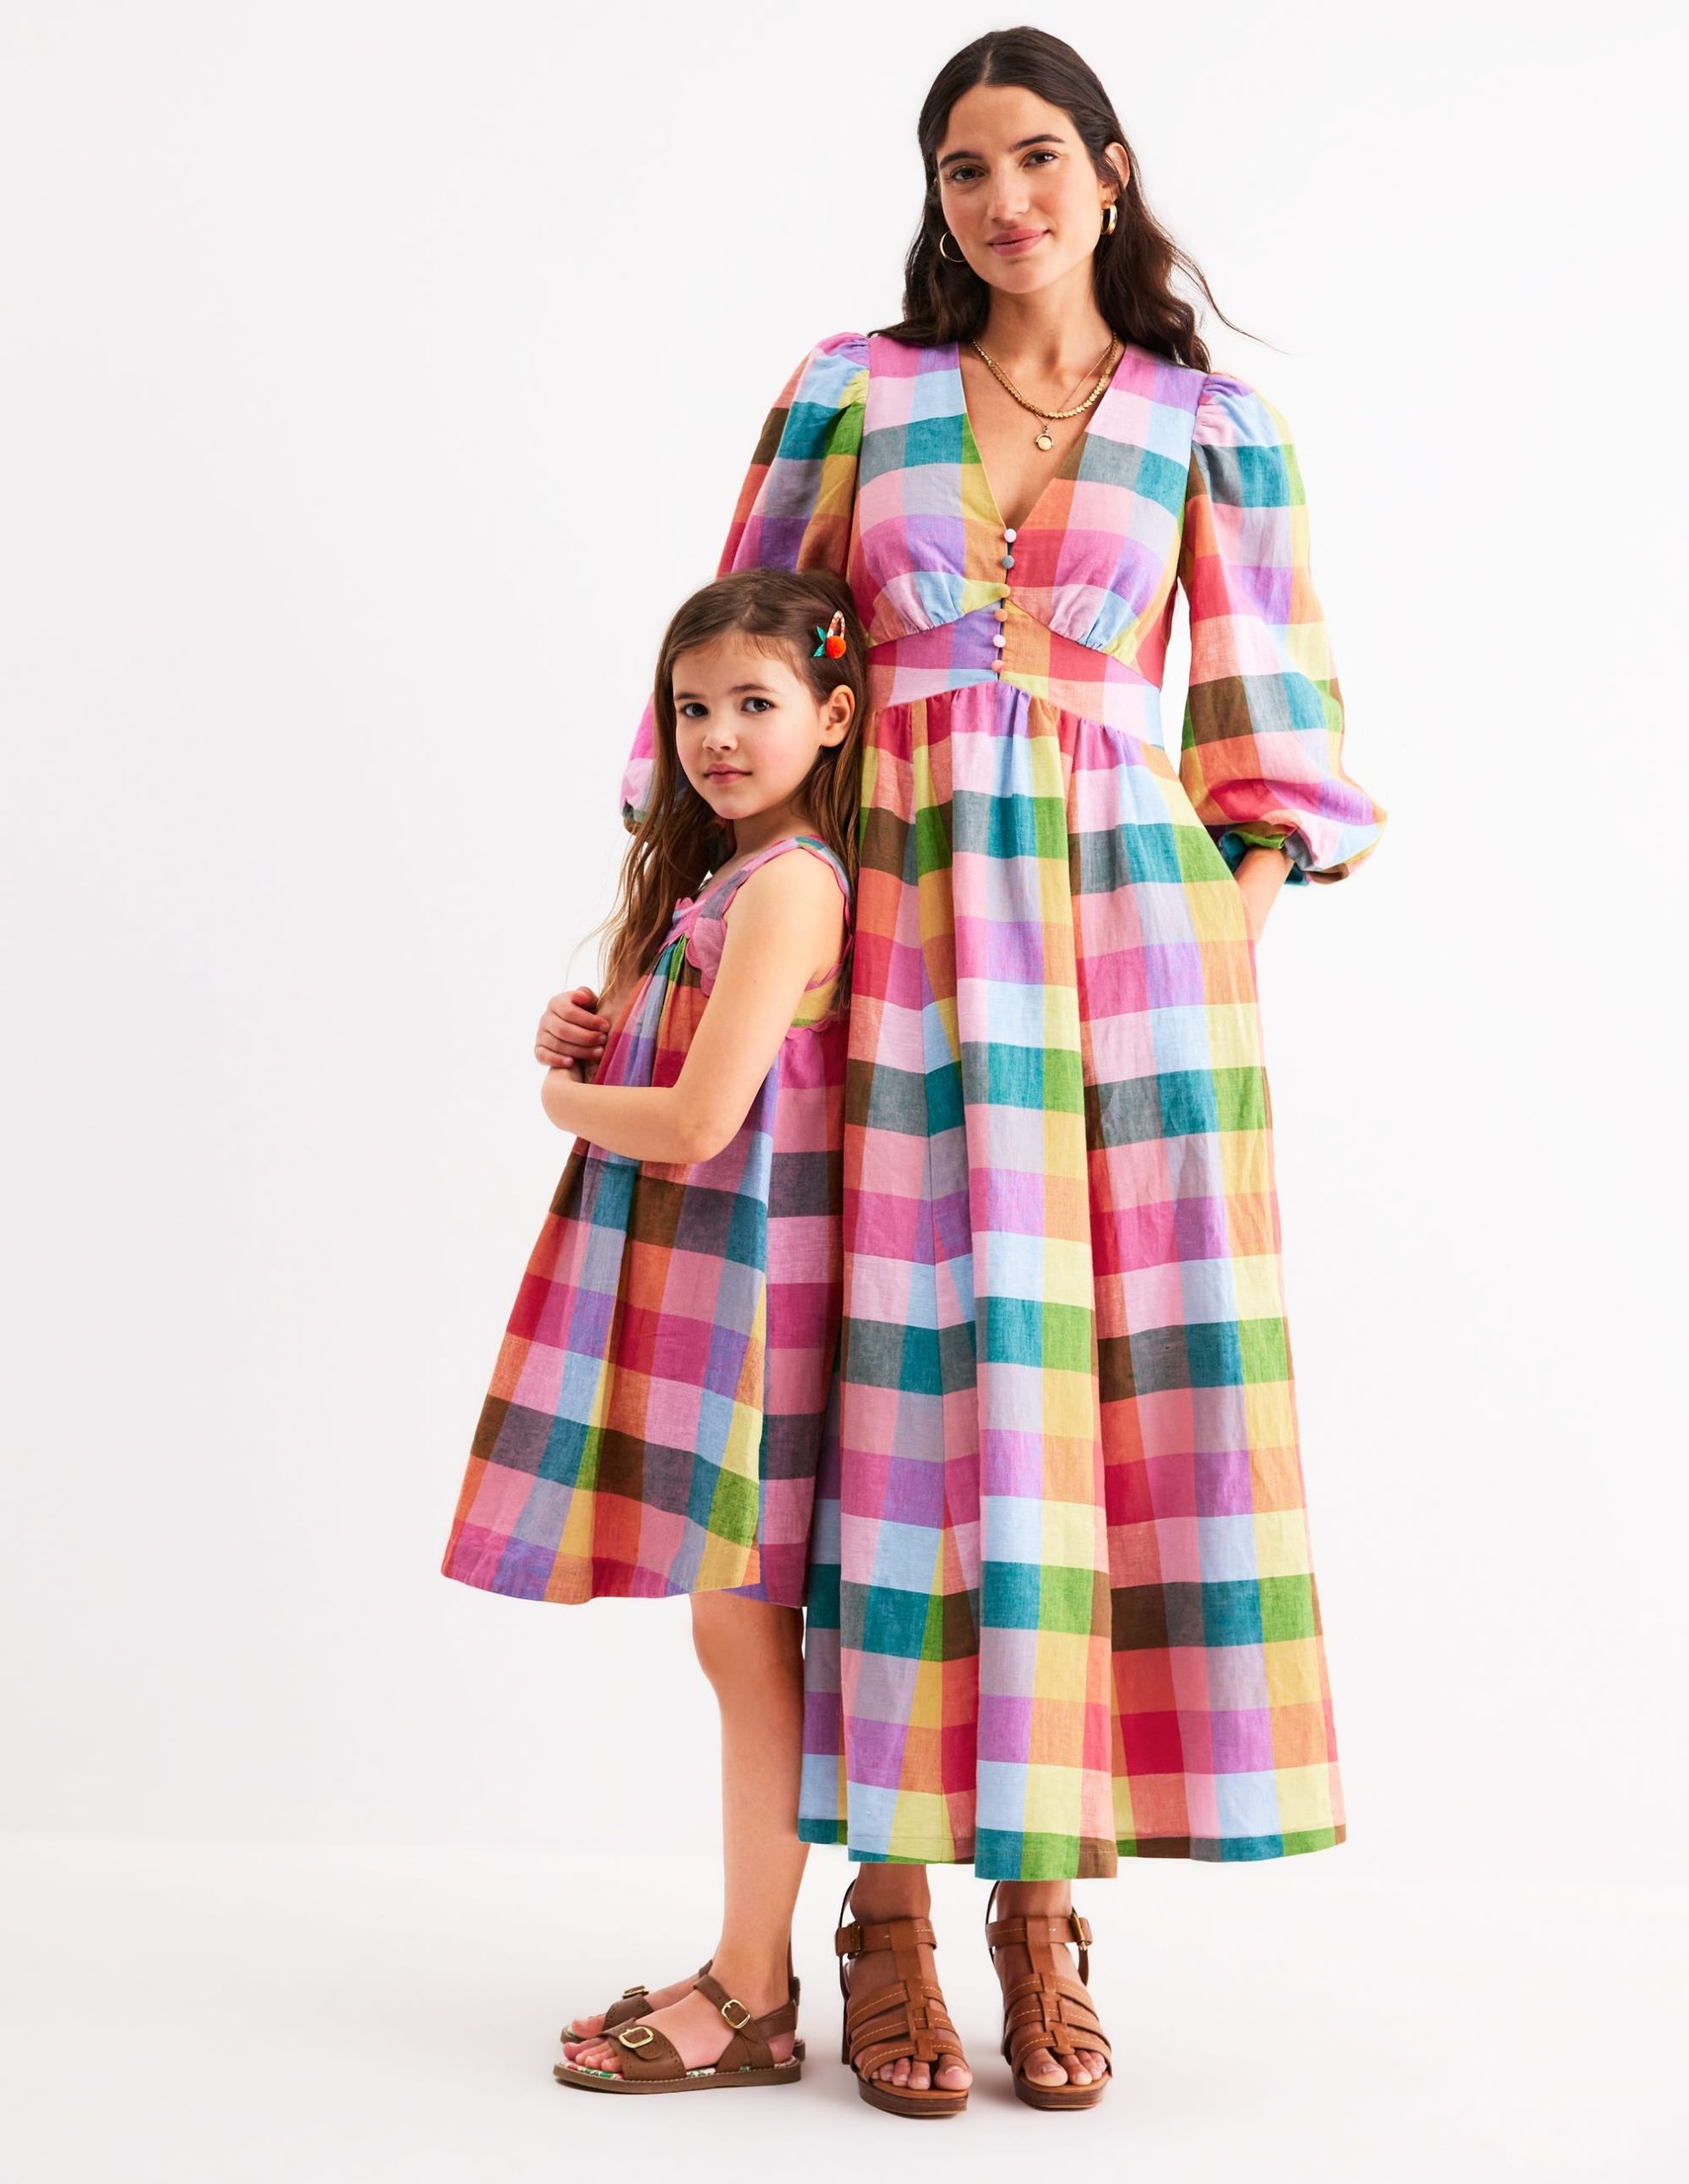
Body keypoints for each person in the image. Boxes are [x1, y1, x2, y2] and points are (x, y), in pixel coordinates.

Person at [553, 25, 1389, 2121]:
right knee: (881, 1417)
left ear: (1111, 169)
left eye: (1033, 158)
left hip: (1127, 980)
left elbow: (1271, 731)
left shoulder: (1214, 430)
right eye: (961, 171)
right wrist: (660, 965)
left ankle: (1043, 1911)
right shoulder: (856, 390)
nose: (1002, 201)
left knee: (1068, 1427)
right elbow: (734, 688)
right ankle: (887, 1920)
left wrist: (1220, 931)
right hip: (879, 955)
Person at [441, 566, 866, 2098]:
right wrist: (601, 1025)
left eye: (756, 703)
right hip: (716, 1288)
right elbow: (681, 1059)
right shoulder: (725, 880)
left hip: (754, 1299)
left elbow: (697, 1119)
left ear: (834, 716)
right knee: (730, 1630)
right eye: (693, 708)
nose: (718, 737)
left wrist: (565, 1098)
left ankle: (754, 1991)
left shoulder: (794, 883)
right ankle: (746, 1968)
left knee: (746, 1633)